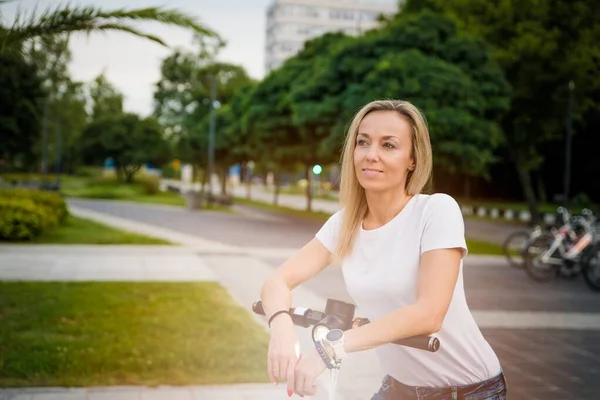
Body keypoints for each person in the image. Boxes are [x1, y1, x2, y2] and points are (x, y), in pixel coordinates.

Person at [259, 100, 507, 399]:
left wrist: (330, 349)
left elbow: (429, 314)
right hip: (398, 387)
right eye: (363, 142)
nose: (371, 155)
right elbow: (277, 282)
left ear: (412, 159)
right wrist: (281, 327)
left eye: (388, 145)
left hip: (466, 390)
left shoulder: (435, 210)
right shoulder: (345, 224)